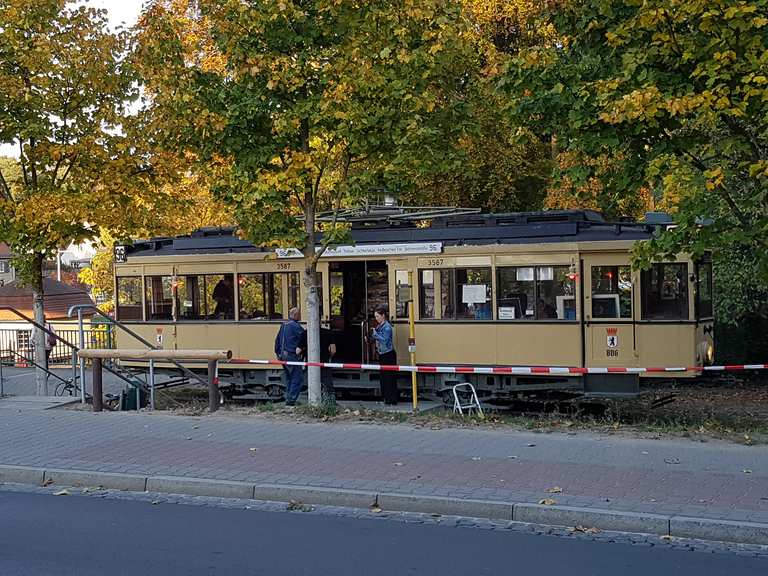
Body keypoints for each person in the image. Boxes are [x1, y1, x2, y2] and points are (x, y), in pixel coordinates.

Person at [274, 307, 306, 406]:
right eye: (299, 314)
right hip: (292, 356)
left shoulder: (284, 325)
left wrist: (278, 353)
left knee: (289, 378)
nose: (300, 316)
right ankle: (291, 400)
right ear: (296, 315)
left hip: (283, 356)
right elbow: (304, 337)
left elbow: (277, 340)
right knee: (298, 378)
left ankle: (288, 398)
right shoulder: (295, 326)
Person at [371, 305, 398, 405]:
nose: (376, 318)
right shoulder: (380, 326)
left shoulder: (387, 327)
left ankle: (391, 399)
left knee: (389, 378)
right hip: (382, 354)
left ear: (383, 316)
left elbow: (385, 340)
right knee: (384, 378)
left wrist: (375, 335)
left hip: (388, 354)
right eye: (375, 316)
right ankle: (386, 398)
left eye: (377, 316)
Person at [320, 325, 337, 407]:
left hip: (311, 363)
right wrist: (329, 356)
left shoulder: (305, 333)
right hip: (325, 361)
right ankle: (330, 402)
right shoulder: (328, 332)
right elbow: (333, 350)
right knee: (327, 381)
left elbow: (298, 350)